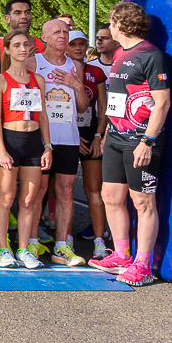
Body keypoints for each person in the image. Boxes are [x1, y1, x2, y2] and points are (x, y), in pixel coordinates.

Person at [89, 2, 170, 286]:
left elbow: (162, 103)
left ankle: (143, 265)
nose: (109, 28)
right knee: (110, 196)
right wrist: (106, 135)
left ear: (120, 25)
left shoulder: (151, 55)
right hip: (115, 137)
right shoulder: (119, 54)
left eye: (111, 23)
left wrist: (148, 141)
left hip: (140, 140)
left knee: (142, 201)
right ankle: (122, 255)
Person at [0, 29, 53, 269]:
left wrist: (48, 147)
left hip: (34, 143)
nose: (22, 49)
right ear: (7, 50)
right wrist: (1, 150)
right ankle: (3, 249)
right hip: (10, 141)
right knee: (6, 199)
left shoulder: (39, 80)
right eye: (16, 45)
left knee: (28, 200)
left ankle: (23, 249)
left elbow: (43, 116)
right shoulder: (0, 80)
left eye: (26, 45)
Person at [29, 19, 89, 267]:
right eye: (56, 32)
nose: (63, 35)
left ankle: (62, 245)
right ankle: (31, 241)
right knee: (38, 191)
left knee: (65, 191)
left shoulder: (75, 65)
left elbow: (83, 107)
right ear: (44, 37)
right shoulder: (34, 62)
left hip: (69, 138)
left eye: (66, 31)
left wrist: (76, 86)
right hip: (41, 138)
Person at [68, 30, 109, 258]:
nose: (78, 48)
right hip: (66, 136)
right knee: (63, 190)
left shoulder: (96, 72)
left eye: (82, 44)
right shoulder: (58, 70)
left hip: (91, 135)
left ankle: (99, 241)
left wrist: (98, 135)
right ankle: (65, 238)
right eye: (73, 44)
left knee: (94, 189)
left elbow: (103, 107)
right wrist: (73, 136)